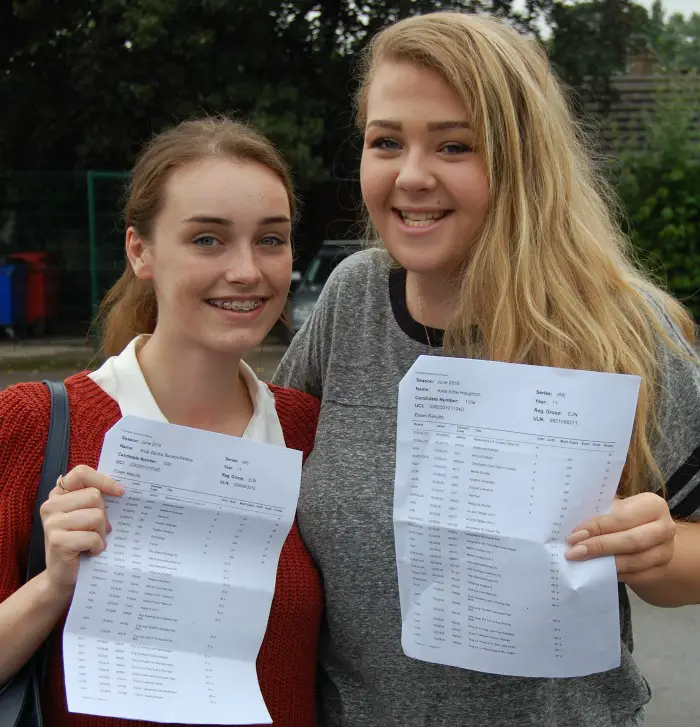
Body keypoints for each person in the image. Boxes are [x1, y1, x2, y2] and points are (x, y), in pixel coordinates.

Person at [273, 12, 700, 727]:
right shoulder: (351, 300)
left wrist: (657, 552)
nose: (412, 175)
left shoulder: (620, 330)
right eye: (386, 142)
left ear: (521, 158)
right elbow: (255, 468)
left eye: (454, 145)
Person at [0, 117, 322, 727]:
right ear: (139, 250)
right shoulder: (32, 427)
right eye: (207, 239)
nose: (247, 271)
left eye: (271, 239)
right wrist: (52, 586)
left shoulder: (310, 433)